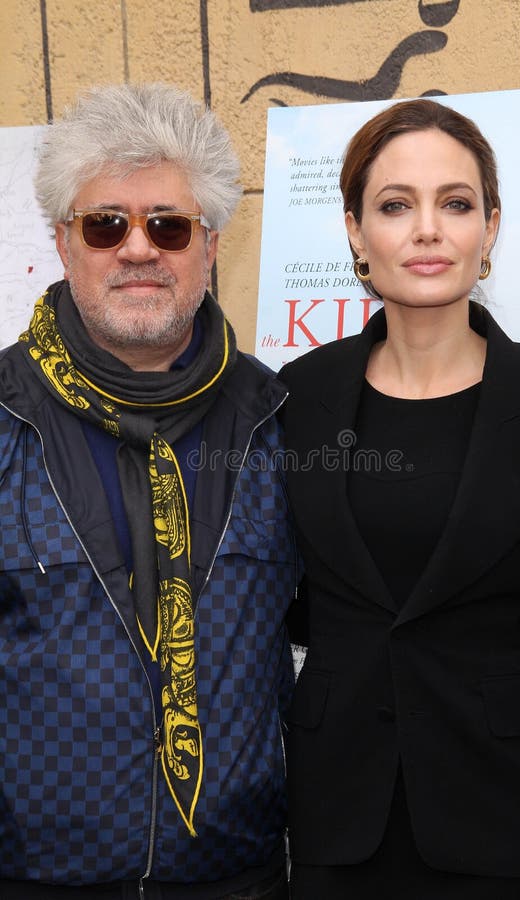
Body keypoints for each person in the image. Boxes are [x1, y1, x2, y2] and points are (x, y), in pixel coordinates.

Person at [278, 98, 520, 899]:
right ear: (355, 230)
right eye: (395, 206)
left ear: (490, 227)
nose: (427, 230)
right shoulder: (292, 398)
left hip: (518, 816)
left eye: (455, 204)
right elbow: (287, 602)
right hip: (338, 819)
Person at [0, 83, 296, 899]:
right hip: (34, 878)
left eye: (168, 224)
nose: (138, 249)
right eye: (106, 224)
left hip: (237, 875)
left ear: (210, 245)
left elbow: (355, 617)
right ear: (64, 242)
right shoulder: (2, 416)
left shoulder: (279, 420)